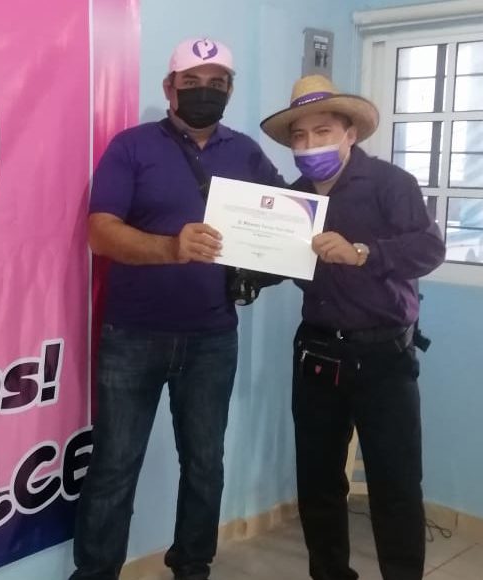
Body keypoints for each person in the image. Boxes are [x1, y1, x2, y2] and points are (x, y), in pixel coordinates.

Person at [70, 38, 285, 580]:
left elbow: (286, 223)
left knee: (205, 465)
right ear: (169, 88)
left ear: (230, 89)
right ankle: (95, 573)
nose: (204, 91)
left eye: (217, 83)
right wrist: (171, 247)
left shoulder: (246, 153)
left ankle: (193, 567)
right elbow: (100, 233)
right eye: (191, 82)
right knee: (114, 466)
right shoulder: (131, 146)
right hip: (132, 336)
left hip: (213, 337)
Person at [259, 74, 446, 580]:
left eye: (322, 131)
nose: (310, 145)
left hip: (384, 357)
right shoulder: (294, 200)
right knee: (318, 483)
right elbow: (274, 264)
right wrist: (237, 259)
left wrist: (363, 252)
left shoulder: (391, 184)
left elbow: (430, 249)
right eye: (300, 136)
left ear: (350, 133)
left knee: (396, 485)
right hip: (317, 354)